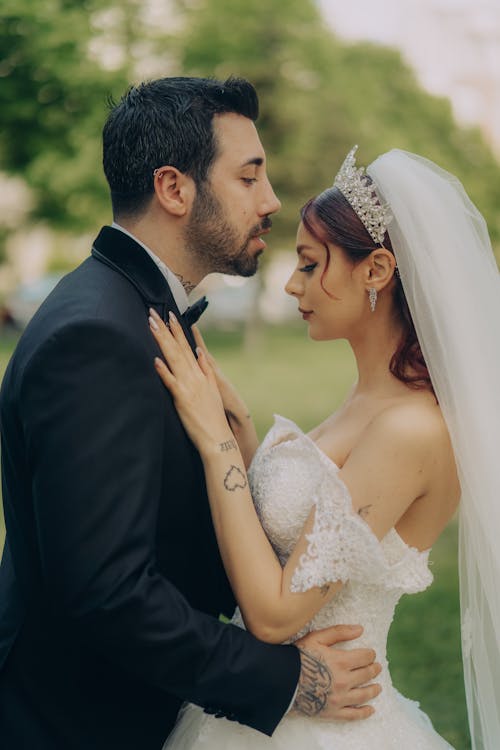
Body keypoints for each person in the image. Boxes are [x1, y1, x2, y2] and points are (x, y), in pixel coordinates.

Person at [0, 79, 381, 749]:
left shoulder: (133, 311)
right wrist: (287, 677)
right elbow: (106, 590)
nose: (269, 202)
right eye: (248, 178)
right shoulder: (93, 337)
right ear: (174, 189)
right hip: (75, 723)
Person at [150, 146, 500, 749]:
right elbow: (297, 539)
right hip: (267, 713)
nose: (291, 283)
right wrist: (241, 431)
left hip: (324, 729)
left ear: (377, 270)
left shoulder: (410, 429)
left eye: (311, 265)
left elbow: (275, 614)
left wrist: (218, 449)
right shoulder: (368, 403)